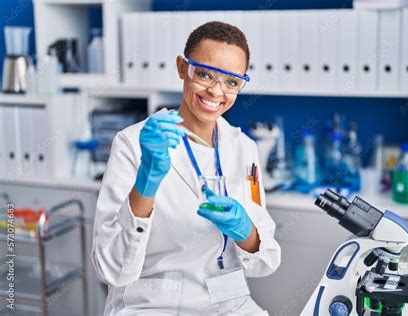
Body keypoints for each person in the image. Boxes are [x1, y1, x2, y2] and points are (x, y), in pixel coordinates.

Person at [91, 21, 281, 315]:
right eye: (204, 74)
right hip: (155, 305)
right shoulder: (133, 143)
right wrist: (147, 180)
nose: (216, 91)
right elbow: (112, 269)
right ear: (183, 68)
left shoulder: (244, 147)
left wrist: (245, 231)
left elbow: (265, 261)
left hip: (230, 302)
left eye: (232, 82)